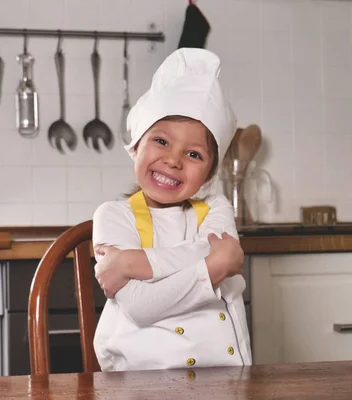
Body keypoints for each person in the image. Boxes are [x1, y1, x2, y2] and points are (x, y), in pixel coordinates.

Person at [91, 48, 252, 372]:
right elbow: (140, 306)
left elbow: (224, 256)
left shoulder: (217, 207)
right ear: (136, 145)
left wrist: (133, 262)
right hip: (140, 380)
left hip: (223, 376)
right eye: (161, 142)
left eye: (193, 154)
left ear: (208, 174)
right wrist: (213, 263)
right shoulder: (113, 215)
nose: (174, 160)